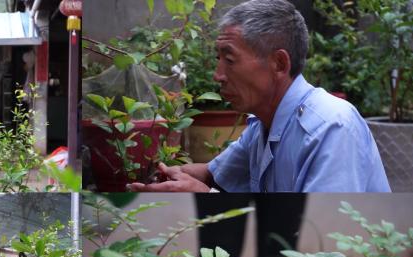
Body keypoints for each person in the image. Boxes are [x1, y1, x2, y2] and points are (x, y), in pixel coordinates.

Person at [128, 0, 390, 193]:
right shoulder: (263, 124)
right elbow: (213, 174)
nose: (217, 75)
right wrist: (168, 174)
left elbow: (324, 239)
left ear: (278, 63)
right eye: (218, 59)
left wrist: (204, 196)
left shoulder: (332, 127)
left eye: (229, 59)